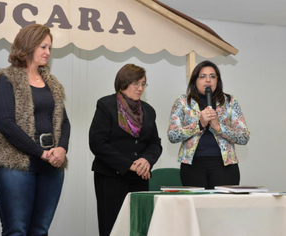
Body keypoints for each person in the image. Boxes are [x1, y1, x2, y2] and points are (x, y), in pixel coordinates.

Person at [0, 24, 70, 236]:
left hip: (51, 166)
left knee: (40, 231)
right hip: (15, 164)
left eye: (50, 48)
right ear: (28, 45)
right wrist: (40, 152)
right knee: (16, 231)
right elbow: (6, 123)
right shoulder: (7, 78)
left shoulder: (53, 83)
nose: (48, 53)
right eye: (43, 47)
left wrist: (61, 149)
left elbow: (64, 122)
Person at [89, 64, 162, 236]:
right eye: (136, 83)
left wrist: (146, 161)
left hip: (140, 177)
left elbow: (155, 143)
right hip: (111, 177)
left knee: (139, 227)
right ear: (123, 83)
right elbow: (97, 143)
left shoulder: (149, 111)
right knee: (113, 228)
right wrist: (129, 164)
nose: (140, 88)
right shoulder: (106, 105)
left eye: (143, 84)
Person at [167, 60, 250, 189]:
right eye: (202, 76)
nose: (208, 80)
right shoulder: (183, 101)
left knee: (223, 207)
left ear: (218, 80)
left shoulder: (230, 101)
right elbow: (172, 136)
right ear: (195, 80)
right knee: (196, 206)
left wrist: (219, 128)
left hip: (225, 166)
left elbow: (244, 137)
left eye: (212, 76)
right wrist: (199, 124)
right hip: (193, 166)